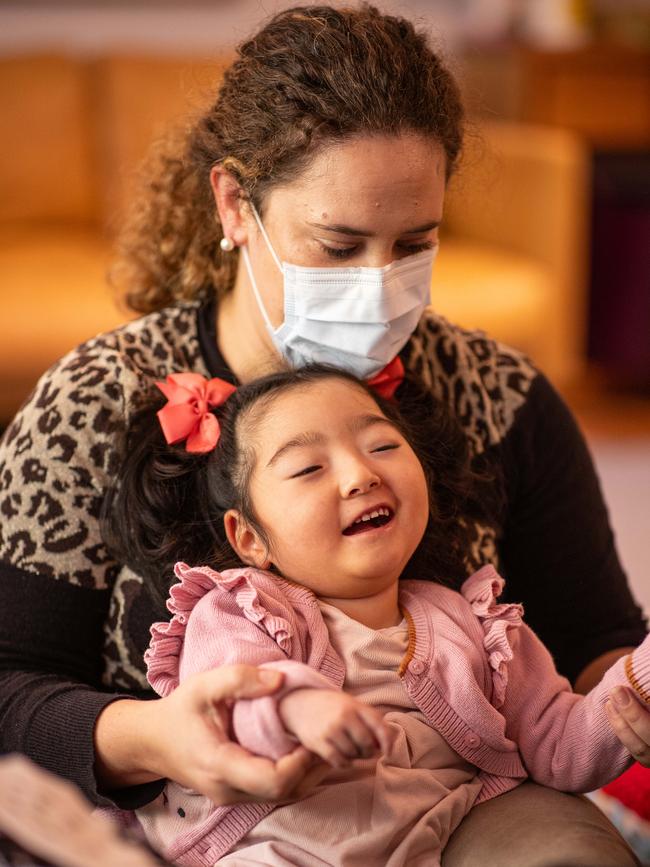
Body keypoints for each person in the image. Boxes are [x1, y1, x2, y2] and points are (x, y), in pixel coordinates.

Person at [0, 4, 647, 865]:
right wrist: (158, 739)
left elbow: (591, 639)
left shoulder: (500, 396)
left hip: (464, 803)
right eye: (338, 245)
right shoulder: (94, 404)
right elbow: (10, 687)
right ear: (235, 204)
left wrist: (628, 696)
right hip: (195, 823)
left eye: (413, 243)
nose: (379, 288)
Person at [100, 363, 650, 866]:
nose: (360, 475)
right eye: (309, 468)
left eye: (382, 445)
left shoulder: (473, 625)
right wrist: (296, 708)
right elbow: (230, 705)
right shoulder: (243, 610)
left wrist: (636, 687)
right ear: (248, 537)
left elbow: (558, 745)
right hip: (263, 845)